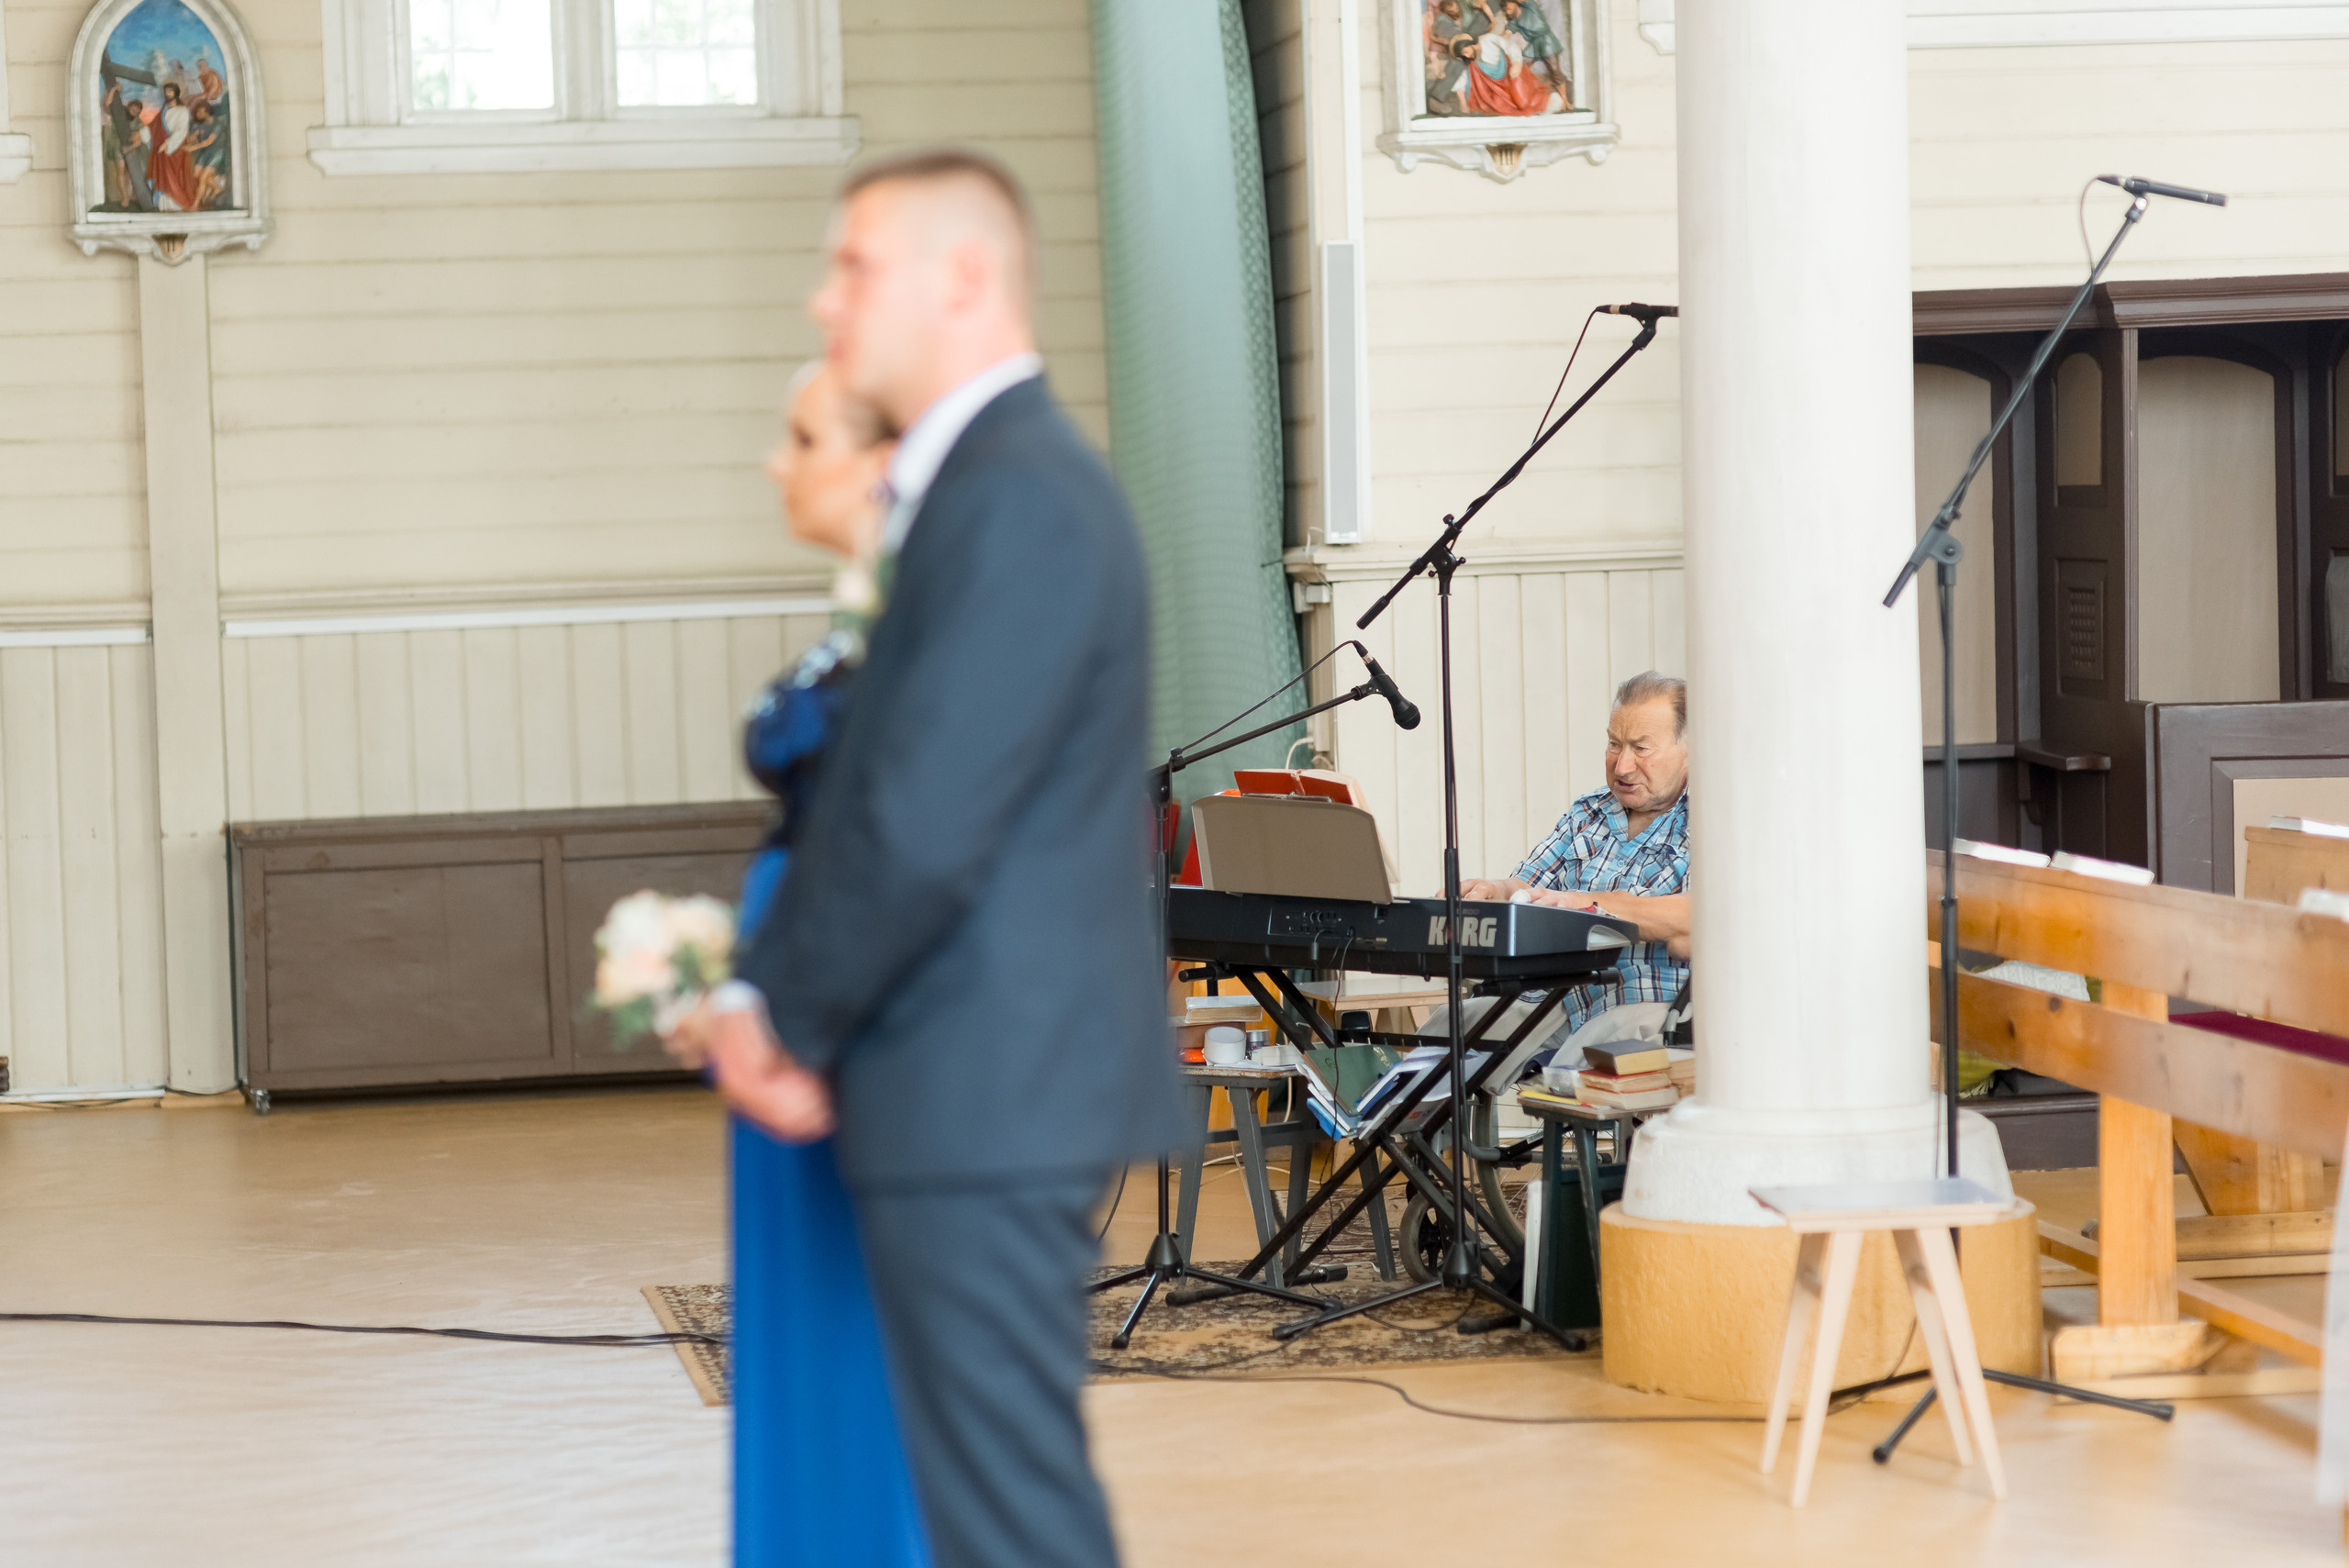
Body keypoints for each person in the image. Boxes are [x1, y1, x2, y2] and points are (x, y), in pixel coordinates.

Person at [673, 148, 1182, 1568]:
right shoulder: (978, 490)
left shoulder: (1016, 494)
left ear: (963, 277)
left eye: (853, 267)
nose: (822, 298)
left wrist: (777, 1012)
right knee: (984, 1517)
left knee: (1012, 1523)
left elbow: (923, 809)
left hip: (990, 1088)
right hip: (969, 1082)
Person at [722, 361, 928, 1568]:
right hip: (790, 978)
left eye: (800, 437)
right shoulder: (868, 605)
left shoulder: (934, 620)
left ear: (880, 463)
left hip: (851, 1000)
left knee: (862, 1337)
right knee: (800, 1331)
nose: (775, 461)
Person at [1459, 670, 1692, 1048]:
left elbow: (1692, 923)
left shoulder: (1711, 822)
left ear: (1690, 750)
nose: (1622, 766)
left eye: (1641, 748)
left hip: (1649, 1007)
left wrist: (1583, 905)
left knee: (1587, 1065)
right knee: (1449, 1034)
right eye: (1614, 744)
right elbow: (1530, 886)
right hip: (1561, 999)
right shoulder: (1589, 812)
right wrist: (1497, 891)